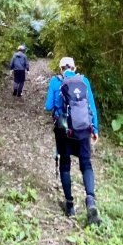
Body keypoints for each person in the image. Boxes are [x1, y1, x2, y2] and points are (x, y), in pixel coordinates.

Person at [45, 56, 101, 225]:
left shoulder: (56, 81)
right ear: (74, 68)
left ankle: (70, 206)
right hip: (83, 129)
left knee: (65, 164)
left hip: (64, 131)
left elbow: (48, 106)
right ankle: (90, 201)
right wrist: (95, 129)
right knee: (86, 164)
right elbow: (91, 106)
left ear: (61, 69)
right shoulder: (83, 80)